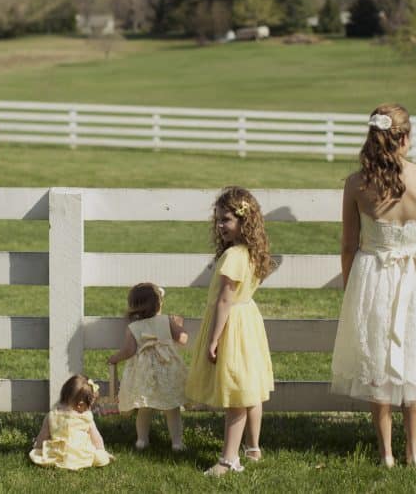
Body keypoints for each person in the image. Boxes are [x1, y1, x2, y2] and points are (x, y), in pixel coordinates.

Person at [330, 103, 416, 468]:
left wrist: (352, 286)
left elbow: (349, 245)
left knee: (378, 360)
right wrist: (412, 248)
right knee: (413, 354)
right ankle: (414, 451)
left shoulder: (356, 184)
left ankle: (386, 454)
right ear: (406, 138)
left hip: (373, 275)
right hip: (415, 276)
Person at [185, 186, 275, 476]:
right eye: (218, 219)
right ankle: (253, 447)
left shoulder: (235, 255)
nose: (220, 225)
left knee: (236, 393)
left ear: (243, 221)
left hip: (233, 325)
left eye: (226, 219)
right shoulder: (251, 252)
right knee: (250, 389)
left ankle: (228, 459)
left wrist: (213, 337)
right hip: (248, 320)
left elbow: (225, 299)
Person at [107, 282, 189, 452]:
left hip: (145, 374)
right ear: (159, 304)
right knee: (172, 408)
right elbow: (183, 339)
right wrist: (179, 325)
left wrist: (115, 358)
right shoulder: (167, 320)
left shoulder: (133, 327)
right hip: (167, 370)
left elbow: (129, 351)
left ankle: (142, 441)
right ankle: (177, 443)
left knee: (144, 407)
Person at [29, 374, 112, 470]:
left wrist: (37, 449)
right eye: (89, 406)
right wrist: (101, 451)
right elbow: (96, 438)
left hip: (58, 454)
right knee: (99, 457)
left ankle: (59, 460)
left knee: (46, 453)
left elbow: (42, 436)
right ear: (80, 405)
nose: (90, 409)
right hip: (80, 454)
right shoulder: (86, 417)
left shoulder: (52, 415)